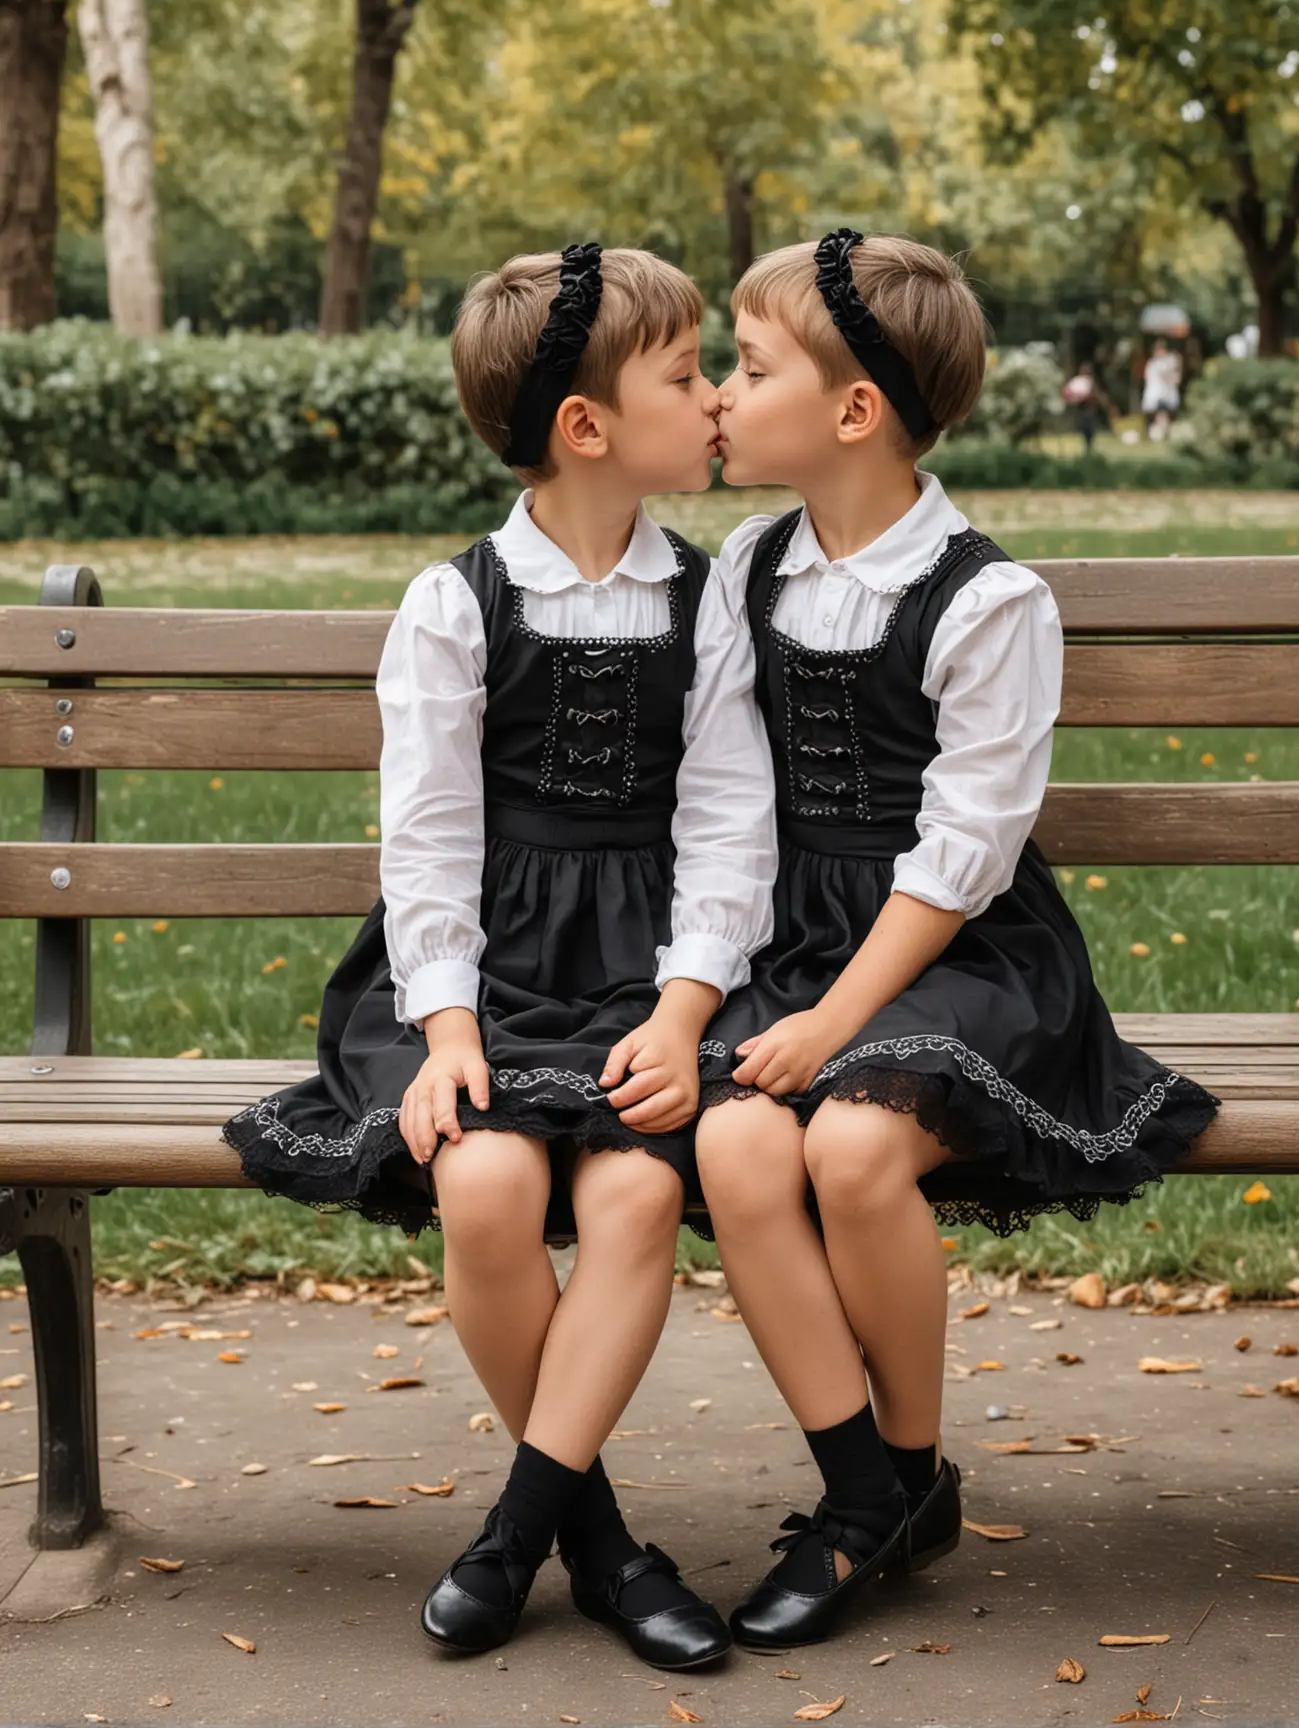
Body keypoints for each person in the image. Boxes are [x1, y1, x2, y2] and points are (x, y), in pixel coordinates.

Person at [224, 244, 777, 1669]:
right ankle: (596, 1542)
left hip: (643, 981)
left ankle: (512, 1536)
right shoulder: (454, 604)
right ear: (587, 426)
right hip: (475, 974)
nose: (712, 397)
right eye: (685, 374)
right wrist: (450, 1029)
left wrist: (683, 1010)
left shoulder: (702, 598)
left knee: (638, 1205)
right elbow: (425, 840)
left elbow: (727, 830)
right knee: (481, 1184)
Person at [691, 230, 1220, 1649]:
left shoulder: (990, 600)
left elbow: (964, 856)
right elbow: (735, 815)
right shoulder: (750, 569)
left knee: (852, 1144)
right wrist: (719, 1001)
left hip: (961, 954)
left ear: (855, 411)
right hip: (804, 941)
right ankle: (872, 1494)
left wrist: (822, 1023)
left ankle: (908, 1473)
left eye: (746, 369)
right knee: (739, 1140)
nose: (718, 396)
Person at [1060, 359, 1108, 453]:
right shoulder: (1077, 381)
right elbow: (1066, 392)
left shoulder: (1091, 382)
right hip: (1080, 407)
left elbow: (1096, 394)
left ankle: (1089, 445)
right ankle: (1087, 444)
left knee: (1089, 426)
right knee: (1085, 425)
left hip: (1089, 407)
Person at [1140, 339, 1182, 440]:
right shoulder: (1153, 363)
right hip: (1155, 393)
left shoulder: (1168, 361)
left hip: (1166, 393)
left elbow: (1176, 377)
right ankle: (1157, 433)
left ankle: (1163, 433)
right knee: (1158, 415)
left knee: (1164, 414)